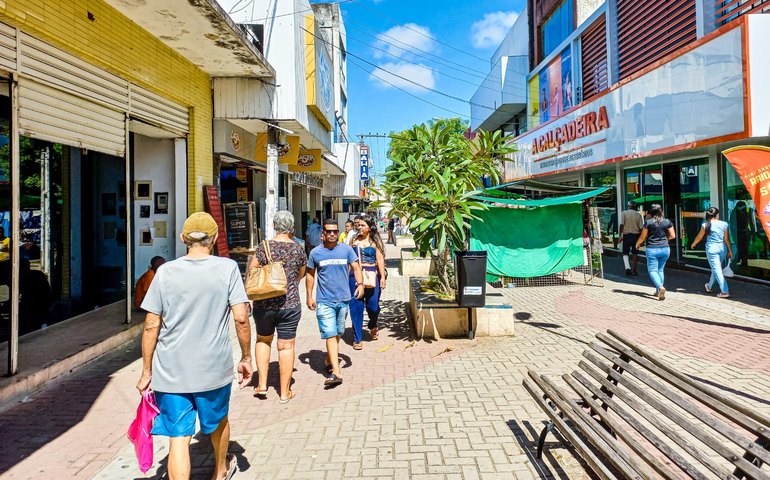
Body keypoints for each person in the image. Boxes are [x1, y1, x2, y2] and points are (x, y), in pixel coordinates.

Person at [136, 212, 252, 480]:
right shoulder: (227, 268)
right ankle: (220, 470)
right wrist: (247, 357)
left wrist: (145, 371)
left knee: (178, 437)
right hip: (213, 369)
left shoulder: (164, 272)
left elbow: (151, 324)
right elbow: (241, 317)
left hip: (171, 372)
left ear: (182, 238)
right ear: (213, 239)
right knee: (218, 421)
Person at [250, 211, 307, 404]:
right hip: (289, 303)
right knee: (286, 346)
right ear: (291, 227)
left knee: (263, 340)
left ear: (274, 225)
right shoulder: (298, 249)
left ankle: (262, 385)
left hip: (263, 304)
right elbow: (301, 273)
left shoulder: (263, 246)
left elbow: (252, 270)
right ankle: (284, 392)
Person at [306, 218, 363, 388]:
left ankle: (329, 358)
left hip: (343, 299)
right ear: (322, 234)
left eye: (334, 231)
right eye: (328, 231)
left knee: (338, 331)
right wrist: (309, 296)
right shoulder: (315, 253)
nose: (332, 234)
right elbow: (310, 275)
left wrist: (360, 284)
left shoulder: (346, 250)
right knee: (330, 333)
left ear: (338, 233)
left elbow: (356, 267)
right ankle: (336, 371)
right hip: (324, 301)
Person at [349, 214, 387, 350]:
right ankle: (357, 338)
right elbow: (349, 258)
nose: (359, 227)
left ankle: (372, 324)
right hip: (355, 276)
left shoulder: (375, 242)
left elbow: (380, 259)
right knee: (356, 307)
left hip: (372, 276)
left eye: (362, 225)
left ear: (370, 228)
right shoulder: (353, 240)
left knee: (373, 307)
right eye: (358, 225)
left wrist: (382, 277)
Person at [635, 204, 675, 301]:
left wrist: (637, 244)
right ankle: (658, 291)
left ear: (651, 212)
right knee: (660, 270)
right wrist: (665, 239)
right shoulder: (667, 221)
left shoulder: (648, 222)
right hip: (665, 248)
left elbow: (643, 237)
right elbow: (673, 236)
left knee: (652, 270)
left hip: (652, 248)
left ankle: (660, 287)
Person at [691, 207, 733, 298]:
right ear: (717, 215)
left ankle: (725, 291)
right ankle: (709, 286)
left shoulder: (705, 225)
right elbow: (727, 239)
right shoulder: (724, 224)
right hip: (722, 249)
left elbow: (699, 237)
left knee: (717, 270)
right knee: (716, 269)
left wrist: (693, 244)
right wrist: (730, 251)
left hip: (711, 250)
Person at [619, 200, 644, 275]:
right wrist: (641, 238)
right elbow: (641, 228)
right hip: (636, 236)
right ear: (635, 207)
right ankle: (634, 270)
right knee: (635, 253)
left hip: (626, 235)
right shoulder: (638, 215)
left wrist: (620, 235)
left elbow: (621, 225)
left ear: (628, 206)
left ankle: (627, 267)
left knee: (625, 253)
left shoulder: (624, 213)